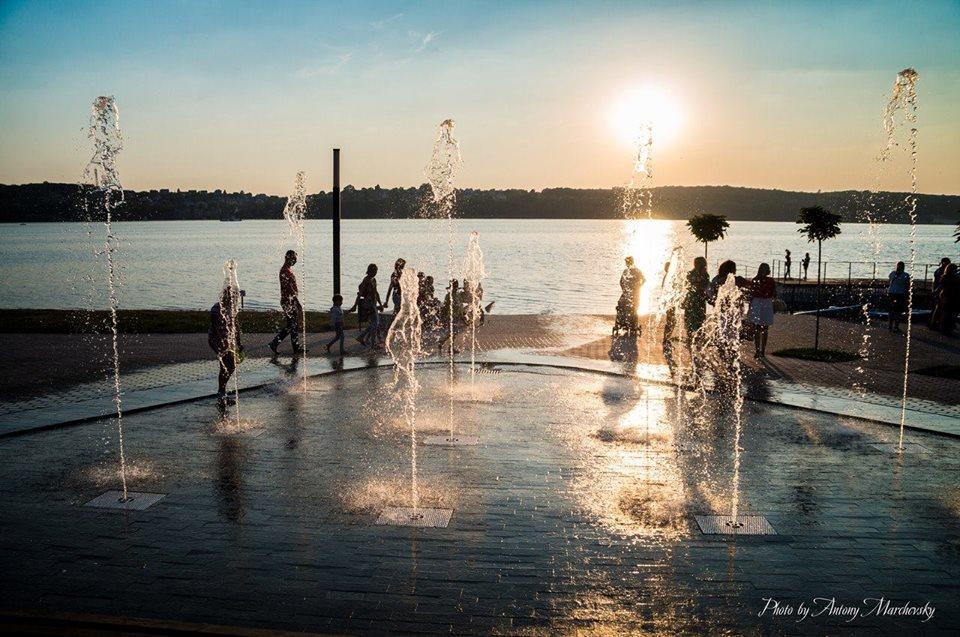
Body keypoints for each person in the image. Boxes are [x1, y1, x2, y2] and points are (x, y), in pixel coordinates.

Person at [209, 286, 243, 406]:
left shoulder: (233, 308)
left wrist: (239, 342)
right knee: (225, 365)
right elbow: (215, 327)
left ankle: (222, 391)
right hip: (217, 340)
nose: (235, 299)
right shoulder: (217, 308)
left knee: (231, 365)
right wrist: (222, 343)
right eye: (233, 296)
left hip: (228, 339)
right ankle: (221, 394)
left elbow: (236, 325)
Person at [269, 250, 304, 355]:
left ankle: (294, 346)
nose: (295, 261)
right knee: (292, 325)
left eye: (296, 260)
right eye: (294, 259)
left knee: (292, 325)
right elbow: (289, 289)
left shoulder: (287, 270)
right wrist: (297, 302)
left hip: (289, 300)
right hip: (288, 301)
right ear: (288, 258)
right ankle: (275, 343)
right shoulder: (285, 271)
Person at [347, 263, 384, 348]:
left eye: (376, 271)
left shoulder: (374, 280)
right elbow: (360, 294)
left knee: (374, 323)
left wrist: (380, 304)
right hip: (368, 304)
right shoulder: (366, 280)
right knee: (375, 323)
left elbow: (376, 293)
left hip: (373, 303)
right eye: (374, 271)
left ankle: (362, 337)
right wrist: (354, 306)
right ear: (370, 271)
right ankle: (372, 343)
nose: (375, 273)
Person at [747, 263, 777, 358]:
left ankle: (759, 350)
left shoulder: (756, 280)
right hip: (765, 303)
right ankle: (761, 350)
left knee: (759, 328)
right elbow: (773, 293)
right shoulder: (769, 281)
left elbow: (751, 294)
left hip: (759, 303)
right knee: (762, 328)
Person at [613, 256, 645, 335]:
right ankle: (623, 321)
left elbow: (644, 280)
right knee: (622, 305)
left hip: (633, 293)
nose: (627, 264)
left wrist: (637, 287)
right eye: (626, 262)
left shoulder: (636, 271)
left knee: (632, 308)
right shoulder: (627, 271)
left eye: (627, 262)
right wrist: (625, 288)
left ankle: (631, 323)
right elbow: (621, 282)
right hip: (628, 292)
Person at [683, 257, 710, 340]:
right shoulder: (704, 274)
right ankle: (696, 335)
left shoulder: (693, 274)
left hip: (694, 298)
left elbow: (686, 286)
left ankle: (692, 335)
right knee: (697, 317)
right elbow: (706, 287)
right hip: (697, 298)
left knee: (693, 317)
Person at [887, 261, 910, 333]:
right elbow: (907, 285)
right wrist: (907, 295)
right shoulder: (905, 275)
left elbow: (890, 282)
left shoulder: (892, 274)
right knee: (898, 311)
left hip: (891, 293)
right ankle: (896, 326)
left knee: (891, 310)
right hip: (900, 294)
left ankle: (890, 325)